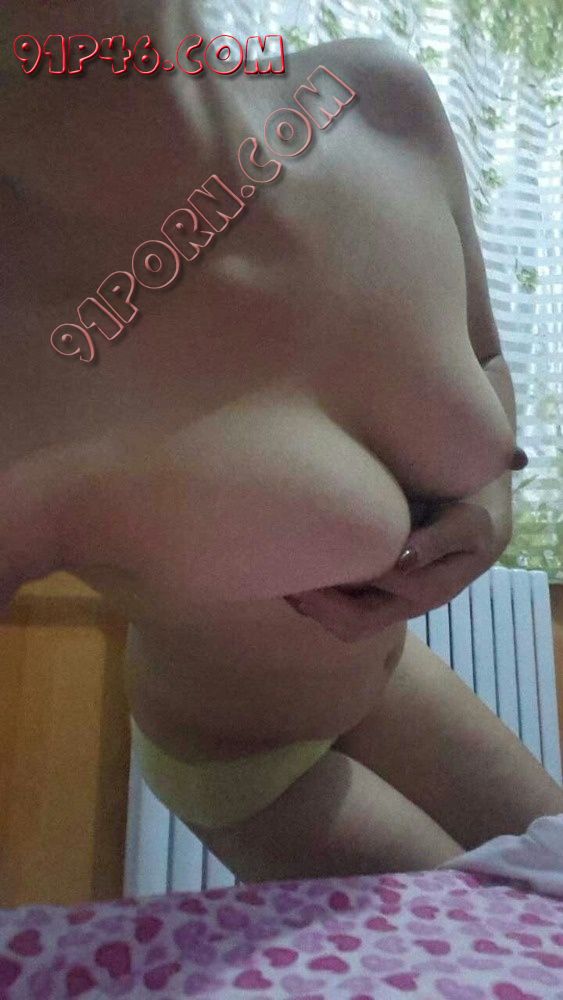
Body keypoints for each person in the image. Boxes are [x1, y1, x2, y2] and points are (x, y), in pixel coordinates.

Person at [1, 0, 562, 882]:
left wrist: (490, 507)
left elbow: (484, 355)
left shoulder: (373, 100)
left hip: (388, 680)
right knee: (519, 947)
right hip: (250, 764)